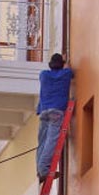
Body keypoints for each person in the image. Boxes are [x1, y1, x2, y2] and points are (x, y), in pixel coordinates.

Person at [36, 53, 73, 182]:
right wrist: (66, 61)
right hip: (56, 111)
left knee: (42, 142)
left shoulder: (44, 75)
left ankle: (40, 170)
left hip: (43, 111)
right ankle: (44, 169)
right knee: (52, 140)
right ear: (61, 65)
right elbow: (69, 70)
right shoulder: (66, 74)